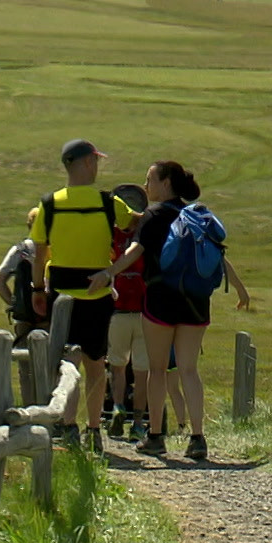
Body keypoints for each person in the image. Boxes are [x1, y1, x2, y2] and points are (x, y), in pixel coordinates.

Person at [88, 160, 249, 460]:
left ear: (166, 183)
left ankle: (156, 437)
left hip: (160, 300)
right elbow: (218, 257)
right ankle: (198, 438)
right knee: (189, 370)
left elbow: (135, 251)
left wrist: (108, 273)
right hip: (196, 302)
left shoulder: (154, 215)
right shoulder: (197, 216)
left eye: (150, 179)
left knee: (157, 370)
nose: (146, 186)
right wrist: (239, 287)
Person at [30, 139, 139, 454]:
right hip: (99, 294)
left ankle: (68, 425)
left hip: (61, 295)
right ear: (88, 163)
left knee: (67, 363)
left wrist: (38, 289)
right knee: (96, 364)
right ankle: (94, 428)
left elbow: (39, 254)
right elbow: (134, 222)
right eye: (96, 161)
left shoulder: (49, 204)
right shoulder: (108, 202)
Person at [105, 183, 150, 440]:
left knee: (118, 366)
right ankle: (138, 421)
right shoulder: (147, 234)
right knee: (142, 370)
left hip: (117, 309)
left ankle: (118, 407)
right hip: (145, 312)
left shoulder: (111, 235)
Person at [0, 207, 45, 343]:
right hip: (49, 314)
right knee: (50, 360)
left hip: (23, 317)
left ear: (29, 225)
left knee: (24, 358)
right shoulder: (55, 249)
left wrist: (15, 305)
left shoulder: (21, 250)